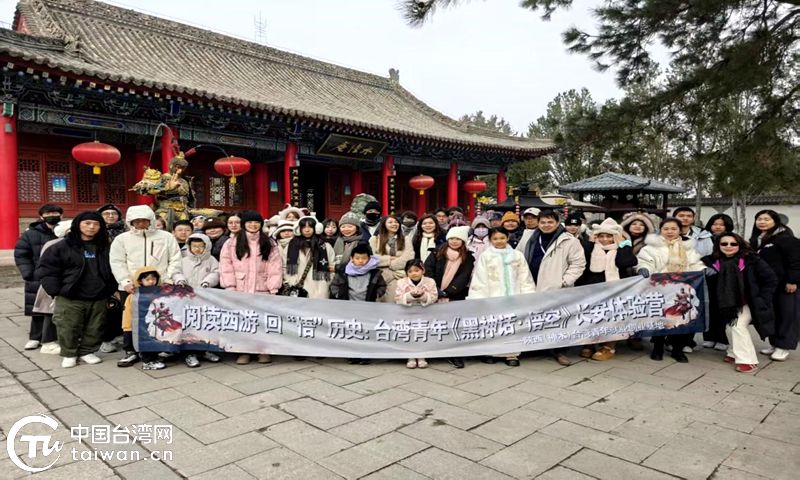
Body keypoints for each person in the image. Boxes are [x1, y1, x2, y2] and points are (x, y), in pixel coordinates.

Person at [37, 212, 117, 368]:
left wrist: (111, 288)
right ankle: (69, 353)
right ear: (78, 224)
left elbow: (114, 268)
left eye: (96, 224)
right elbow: (47, 270)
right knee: (68, 326)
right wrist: (56, 291)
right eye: (87, 223)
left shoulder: (105, 247)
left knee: (95, 326)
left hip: (98, 294)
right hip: (71, 295)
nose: (91, 227)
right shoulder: (61, 246)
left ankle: (88, 351)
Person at [702, 233, 778, 373]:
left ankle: (748, 361)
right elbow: (694, 268)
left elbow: (771, 279)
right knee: (730, 327)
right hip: (726, 303)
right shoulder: (711, 261)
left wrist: (762, 299)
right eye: (724, 244)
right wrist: (704, 270)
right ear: (718, 246)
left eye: (733, 244)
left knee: (737, 326)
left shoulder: (752, 259)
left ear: (740, 245)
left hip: (749, 302)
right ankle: (733, 352)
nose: (729, 247)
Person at [521, 209, 586, 366]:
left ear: (557, 223)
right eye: (543, 222)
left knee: (558, 320)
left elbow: (578, 264)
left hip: (556, 287)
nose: (546, 225)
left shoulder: (569, 240)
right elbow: (519, 257)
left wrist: (564, 281)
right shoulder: (529, 237)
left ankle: (560, 351)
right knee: (536, 318)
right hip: (532, 283)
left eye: (550, 222)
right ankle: (536, 347)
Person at [636, 217, 705, 362]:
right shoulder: (651, 247)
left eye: (674, 229)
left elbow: (695, 264)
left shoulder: (688, 247)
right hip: (661, 288)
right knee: (661, 318)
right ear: (660, 230)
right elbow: (645, 261)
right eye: (666, 229)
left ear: (680, 230)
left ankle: (677, 349)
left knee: (681, 319)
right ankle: (658, 348)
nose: (670, 232)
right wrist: (643, 268)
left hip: (683, 288)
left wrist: (703, 269)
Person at [219, 210, 283, 365]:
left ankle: (263, 350)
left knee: (261, 321)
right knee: (242, 321)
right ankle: (244, 351)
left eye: (256, 222)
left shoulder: (269, 242)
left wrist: (273, 288)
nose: (253, 225)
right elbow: (226, 265)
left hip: (262, 288)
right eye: (249, 222)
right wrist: (230, 286)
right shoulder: (232, 243)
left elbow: (275, 266)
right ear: (243, 224)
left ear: (261, 225)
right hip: (240, 288)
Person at [469, 227, 536, 366]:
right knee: (492, 325)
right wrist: (480, 297)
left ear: (507, 238)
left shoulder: (517, 255)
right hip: (493, 296)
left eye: (502, 238)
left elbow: (525, 276)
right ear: (490, 240)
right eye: (495, 239)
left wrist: (528, 294)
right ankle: (490, 352)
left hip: (514, 296)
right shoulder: (486, 256)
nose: (499, 241)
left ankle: (512, 354)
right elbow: (480, 278)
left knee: (512, 325)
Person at [575, 218, 638, 361]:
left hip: (615, 289)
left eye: (609, 236)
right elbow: (583, 261)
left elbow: (626, 262)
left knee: (612, 317)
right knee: (591, 316)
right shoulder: (590, 247)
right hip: (593, 287)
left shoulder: (621, 249)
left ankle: (609, 346)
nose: (604, 239)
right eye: (601, 236)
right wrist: (591, 242)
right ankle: (589, 344)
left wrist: (623, 243)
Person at [749, 209, 800, 361]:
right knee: (773, 314)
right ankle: (775, 343)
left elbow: (796, 261)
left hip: (785, 284)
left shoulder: (785, 238)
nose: (762, 222)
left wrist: (793, 280)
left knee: (787, 315)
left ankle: (784, 346)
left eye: (766, 219)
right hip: (768, 285)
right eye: (759, 219)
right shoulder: (758, 239)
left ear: (775, 221)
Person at [425, 225, 475, 368]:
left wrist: (449, 291)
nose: (454, 241)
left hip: (455, 295)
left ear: (463, 241)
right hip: (434, 293)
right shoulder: (436, 253)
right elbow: (428, 270)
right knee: (432, 324)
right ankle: (432, 351)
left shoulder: (468, 257)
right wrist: (435, 289)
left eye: (458, 239)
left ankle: (454, 353)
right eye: (452, 238)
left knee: (454, 325)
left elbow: (464, 276)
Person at [14, 203, 62, 351]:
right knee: (38, 309)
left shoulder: (64, 231)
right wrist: (28, 273)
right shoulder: (31, 233)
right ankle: (35, 337)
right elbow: (21, 254)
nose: (52, 216)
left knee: (53, 308)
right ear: (41, 216)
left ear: (61, 215)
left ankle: (51, 338)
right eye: (48, 213)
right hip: (37, 275)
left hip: (58, 275)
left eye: (55, 213)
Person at [329, 243, 386, 365]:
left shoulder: (375, 272)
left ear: (369, 259)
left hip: (367, 306)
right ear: (352, 259)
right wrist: (338, 295)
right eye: (357, 258)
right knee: (351, 331)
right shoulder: (343, 272)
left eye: (364, 258)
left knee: (366, 331)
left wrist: (377, 294)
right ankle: (352, 354)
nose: (361, 261)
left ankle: (365, 354)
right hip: (349, 306)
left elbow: (382, 286)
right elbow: (334, 285)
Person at [174, 233, 221, 368]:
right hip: (186, 297)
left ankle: (206, 349)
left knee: (206, 324)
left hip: (204, 297)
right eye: (194, 246)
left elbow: (216, 272)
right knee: (189, 325)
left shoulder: (211, 260)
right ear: (189, 246)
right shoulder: (183, 260)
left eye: (201, 246)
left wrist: (208, 282)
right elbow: (176, 271)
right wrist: (180, 280)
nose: (198, 249)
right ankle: (190, 353)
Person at [31, 220, 71, 355]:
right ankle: (48, 342)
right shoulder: (54, 244)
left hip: (66, 284)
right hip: (53, 285)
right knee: (50, 314)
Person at [700, 213, 736, 351]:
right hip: (706, 277)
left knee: (721, 308)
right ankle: (709, 337)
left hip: (724, 279)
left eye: (721, 224)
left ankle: (721, 338)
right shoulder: (703, 238)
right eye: (715, 224)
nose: (718, 227)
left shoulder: (731, 239)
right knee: (708, 307)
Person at [117, 268, 166, 369]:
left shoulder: (157, 292)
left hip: (152, 324)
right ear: (140, 281)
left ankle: (152, 358)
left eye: (153, 279)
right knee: (146, 343)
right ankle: (148, 362)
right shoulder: (135, 295)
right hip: (138, 325)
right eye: (147, 279)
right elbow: (129, 313)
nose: (151, 281)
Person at [396, 259, 438, 369]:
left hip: (425, 312)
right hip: (408, 313)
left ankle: (422, 356)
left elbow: (434, 296)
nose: (413, 273)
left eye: (416, 270)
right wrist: (410, 296)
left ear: (423, 270)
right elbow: (398, 298)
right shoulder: (401, 282)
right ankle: (410, 356)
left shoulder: (430, 281)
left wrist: (423, 296)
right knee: (410, 333)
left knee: (422, 333)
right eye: (410, 271)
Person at [284, 216, 336, 299]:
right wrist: (292, 281)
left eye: (310, 227)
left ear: (316, 228)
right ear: (299, 229)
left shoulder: (325, 246)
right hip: (299, 288)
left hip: (319, 289)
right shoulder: (291, 246)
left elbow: (332, 267)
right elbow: (284, 266)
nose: (307, 230)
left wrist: (326, 284)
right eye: (304, 227)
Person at [369, 216, 414, 301]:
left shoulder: (406, 239)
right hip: (379, 276)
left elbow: (409, 257)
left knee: (392, 302)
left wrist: (391, 264)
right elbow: (372, 258)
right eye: (390, 222)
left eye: (396, 222)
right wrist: (390, 259)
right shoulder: (374, 239)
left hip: (397, 276)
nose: (394, 224)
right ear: (384, 225)